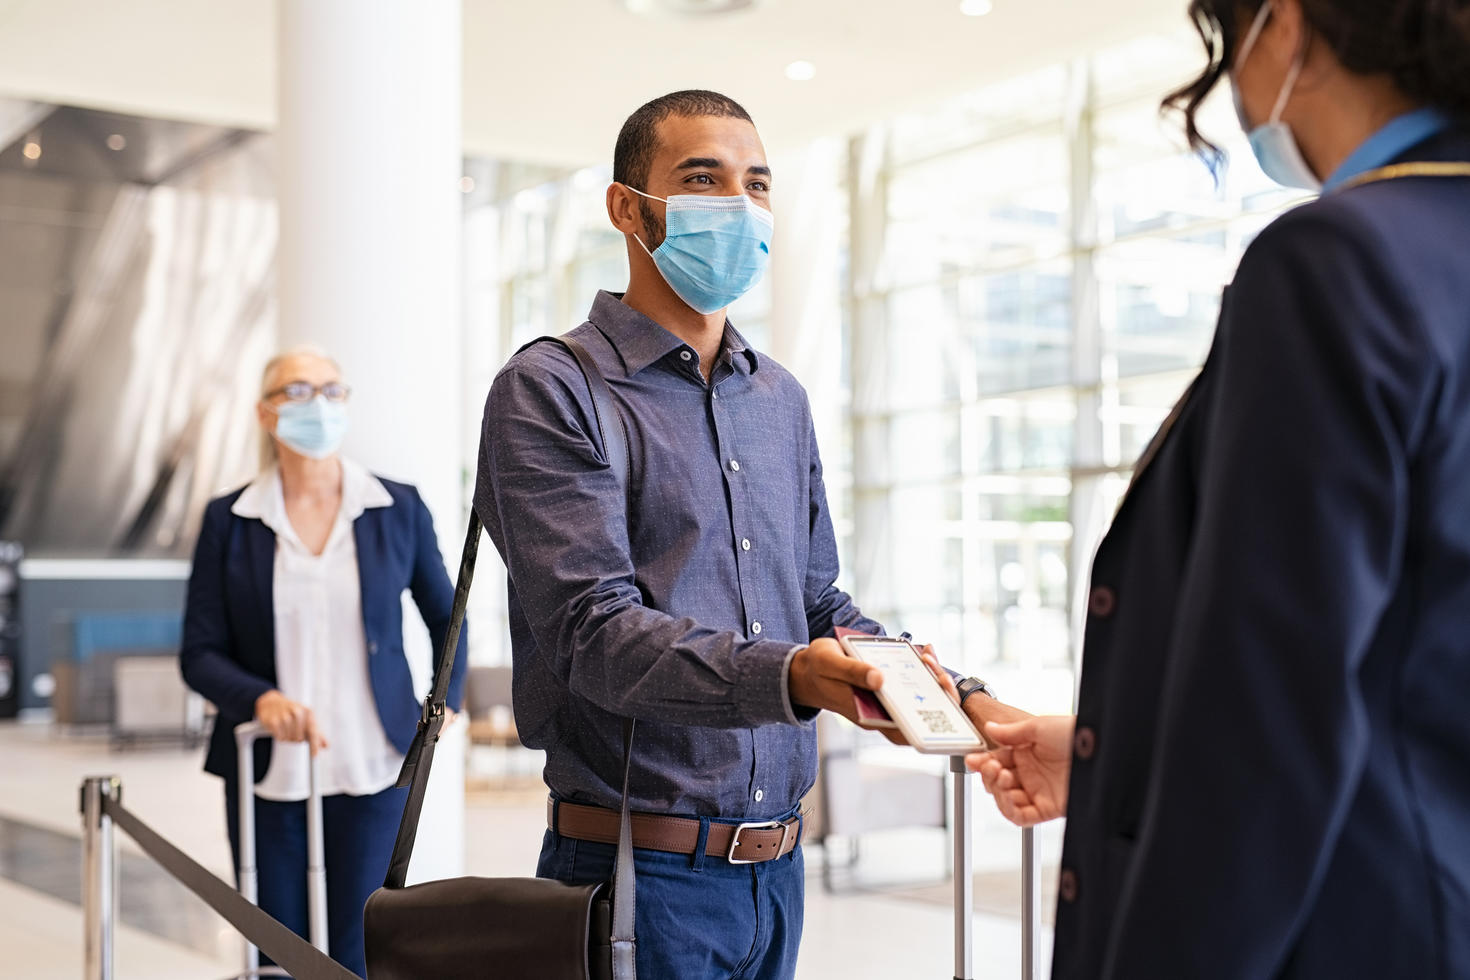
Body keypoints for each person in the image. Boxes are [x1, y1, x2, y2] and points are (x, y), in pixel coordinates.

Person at [966, 1, 1470, 977]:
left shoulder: (1338, 262)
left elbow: (1274, 712)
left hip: (1347, 925)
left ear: (1280, 23)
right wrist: (1118, 753)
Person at [474, 90, 985, 978]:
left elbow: (814, 600)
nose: (739, 207)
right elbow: (593, 634)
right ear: (628, 209)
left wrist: (955, 697)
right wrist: (790, 676)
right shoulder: (553, 390)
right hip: (636, 874)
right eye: (703, 180)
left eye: (756, 185)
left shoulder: (777, 398)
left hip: (776, 879)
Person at [180, 347, 466, 978]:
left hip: (373, 769)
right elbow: (198, 653)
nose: (320, 404)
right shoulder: (229, 520)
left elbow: (449, 616)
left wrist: (446, 699)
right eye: (299, 390)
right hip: (267, 774)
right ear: (265, 413)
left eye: (333, 390)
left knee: (360, 951)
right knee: (276, 954)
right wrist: (259, 700)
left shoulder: (396, 508)